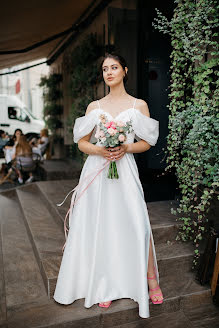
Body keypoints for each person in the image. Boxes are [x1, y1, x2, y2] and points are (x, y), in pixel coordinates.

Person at [53, 53, 163, 319]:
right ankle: (105, 285)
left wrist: (126, 147)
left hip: (124, 171)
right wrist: (101, 151)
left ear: (125, 70)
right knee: (102, 225)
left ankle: (150, 280)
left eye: (114, 67)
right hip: (98, 171)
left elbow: (147, 143)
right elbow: (82, 143)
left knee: (138, 223)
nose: (109, 72)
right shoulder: (95, 106)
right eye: (105, 69)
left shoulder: (139, 105)